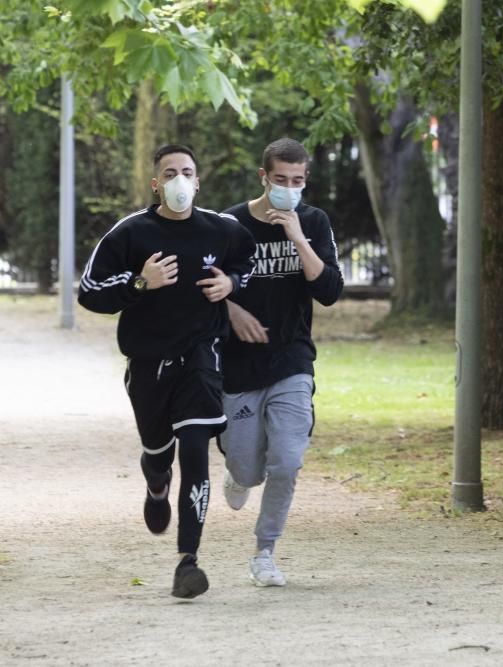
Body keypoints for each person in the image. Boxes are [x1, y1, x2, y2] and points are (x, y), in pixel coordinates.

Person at [78, 144, 256, 599]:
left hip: (202, 359)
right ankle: (156, 483)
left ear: (198, 182)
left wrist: (231, 283)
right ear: (155, 182)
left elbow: (247, 260)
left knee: (195, 449)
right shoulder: (131, 233)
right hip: (148, 364)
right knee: (159, 452)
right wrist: (141, 282)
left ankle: (188, 561)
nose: (179, 180)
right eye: (169, 172)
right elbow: (90, 291)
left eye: (187, 172)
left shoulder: (222, 229)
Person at [218, 138, 344, 587]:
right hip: (238, 367)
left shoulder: (313, 221)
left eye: (298, 181)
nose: (290, 188)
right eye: (280, 180)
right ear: (263, 177)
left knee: (287, 462)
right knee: (248, 469)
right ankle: (236, 470)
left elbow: (329, 290)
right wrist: (232, 310)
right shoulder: (230, 223)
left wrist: (297, 238)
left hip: (292, 360)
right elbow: (204, 288)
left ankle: (264, 553)